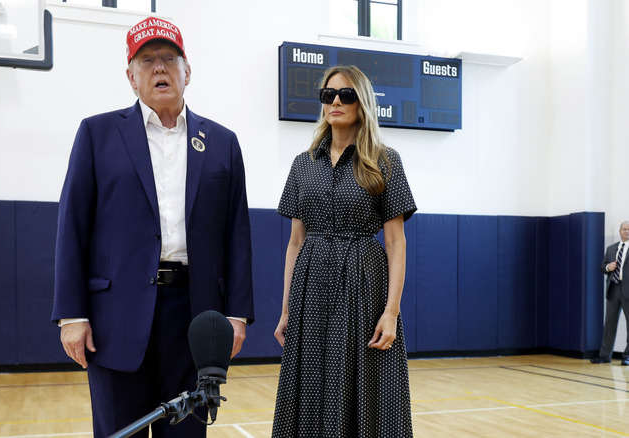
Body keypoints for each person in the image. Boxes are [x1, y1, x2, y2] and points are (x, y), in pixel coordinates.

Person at [51, 16, 254, 438]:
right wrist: (71, 314)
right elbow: (72, 227)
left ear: (187, 71)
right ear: (131, 76)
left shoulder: (222, 142)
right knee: (118, 432)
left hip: (195, 316)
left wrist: (236, 315)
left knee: (185, 432)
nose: (159, 68)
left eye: (169, 58)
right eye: (147, 61)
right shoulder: (97, 133)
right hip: (116, 317)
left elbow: (237, 235)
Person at [272, 65, 416, 437]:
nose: (335, 101)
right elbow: (295, 241)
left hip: (363, 286)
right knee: (311, 382)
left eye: (346, 94)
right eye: (328, 95)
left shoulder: (385, 160)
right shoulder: (303, 164)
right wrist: (287, 308)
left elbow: (396, 241)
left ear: (362, 102)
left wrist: (392, 312)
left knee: (362, 382)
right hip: (311, 287)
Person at [591, 221, 629, 365]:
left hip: (628, 290)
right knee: (609, 324)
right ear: (620, 231)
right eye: (624, 229)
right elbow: (602, 267)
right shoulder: (611, 248)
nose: (626, 231)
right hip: (614, 289)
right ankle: (604, 355)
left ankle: (627, 356)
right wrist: (608, 266)